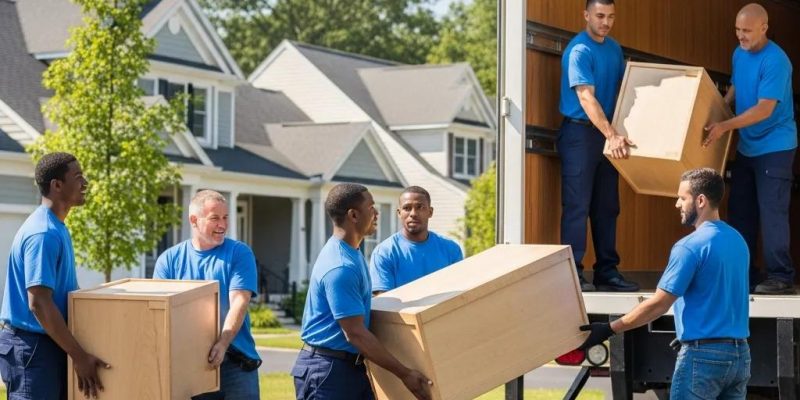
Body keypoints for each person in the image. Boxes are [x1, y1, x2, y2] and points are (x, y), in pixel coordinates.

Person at [580, 168, 751, 399]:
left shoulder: (689, 246)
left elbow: (659, 304)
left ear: (701, 200)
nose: (677, 205)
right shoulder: (738, 240)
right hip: (740, 354)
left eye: (682, 198)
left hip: (702, 356)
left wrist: (610, 329)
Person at [292, 183, 431, 400]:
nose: (376, 213)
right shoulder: (340, 266)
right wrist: (404, 374)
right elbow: (355, 333)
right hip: (328, 372)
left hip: (347, 368)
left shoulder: (352, 253)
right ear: (354, 215)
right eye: (371, 207)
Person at [704, 3, 797, 295]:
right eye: (737, 30)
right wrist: (719, 109)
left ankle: (780, 275)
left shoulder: (776, 61)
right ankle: (747, 274)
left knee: (772, 212)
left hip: (775, 146)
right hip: (747, 146)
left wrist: (724, 126)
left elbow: (764, 109)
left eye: (746, 31)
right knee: (740, 210)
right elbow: (735, 87)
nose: (740, 36)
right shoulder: (738, 53)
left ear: (764, 28)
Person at [0, 152, 110, 399]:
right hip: (32, 349)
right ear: (57, 185)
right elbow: (39, 302)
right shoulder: (43, 233)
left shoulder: (56, 228)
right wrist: (79, 356)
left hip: (48, 344)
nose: (85, 183)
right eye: (78, 176)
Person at [558, 0, 638, 292]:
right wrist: (611, 135)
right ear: (586, 15)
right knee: (577, 206)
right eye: (600, 16)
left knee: (607, 206)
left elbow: (624, 90)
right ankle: (573, 274)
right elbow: (586, 98)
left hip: (606, 134)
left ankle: (607, 272)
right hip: (580, 135)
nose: (606, 22)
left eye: (611, 17)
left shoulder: (614, 49)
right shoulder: (579, 51)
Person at [154, 190, 260, 399]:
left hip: (235, 364)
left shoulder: (239, 253)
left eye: (225, 217)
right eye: (215, 218)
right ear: (194, 220)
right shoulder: (169, 260)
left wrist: (223, 342)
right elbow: (159, 313)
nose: (223, 225)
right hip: (188, 365)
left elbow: (239, 300)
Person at [369, 186, 463, 295]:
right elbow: (383, 302)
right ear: (399, 213)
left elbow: (460, 295)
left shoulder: (451, 249)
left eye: (420, 207)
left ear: (430, 212)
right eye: (407, 208)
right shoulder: (384, 252)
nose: (413, 213)